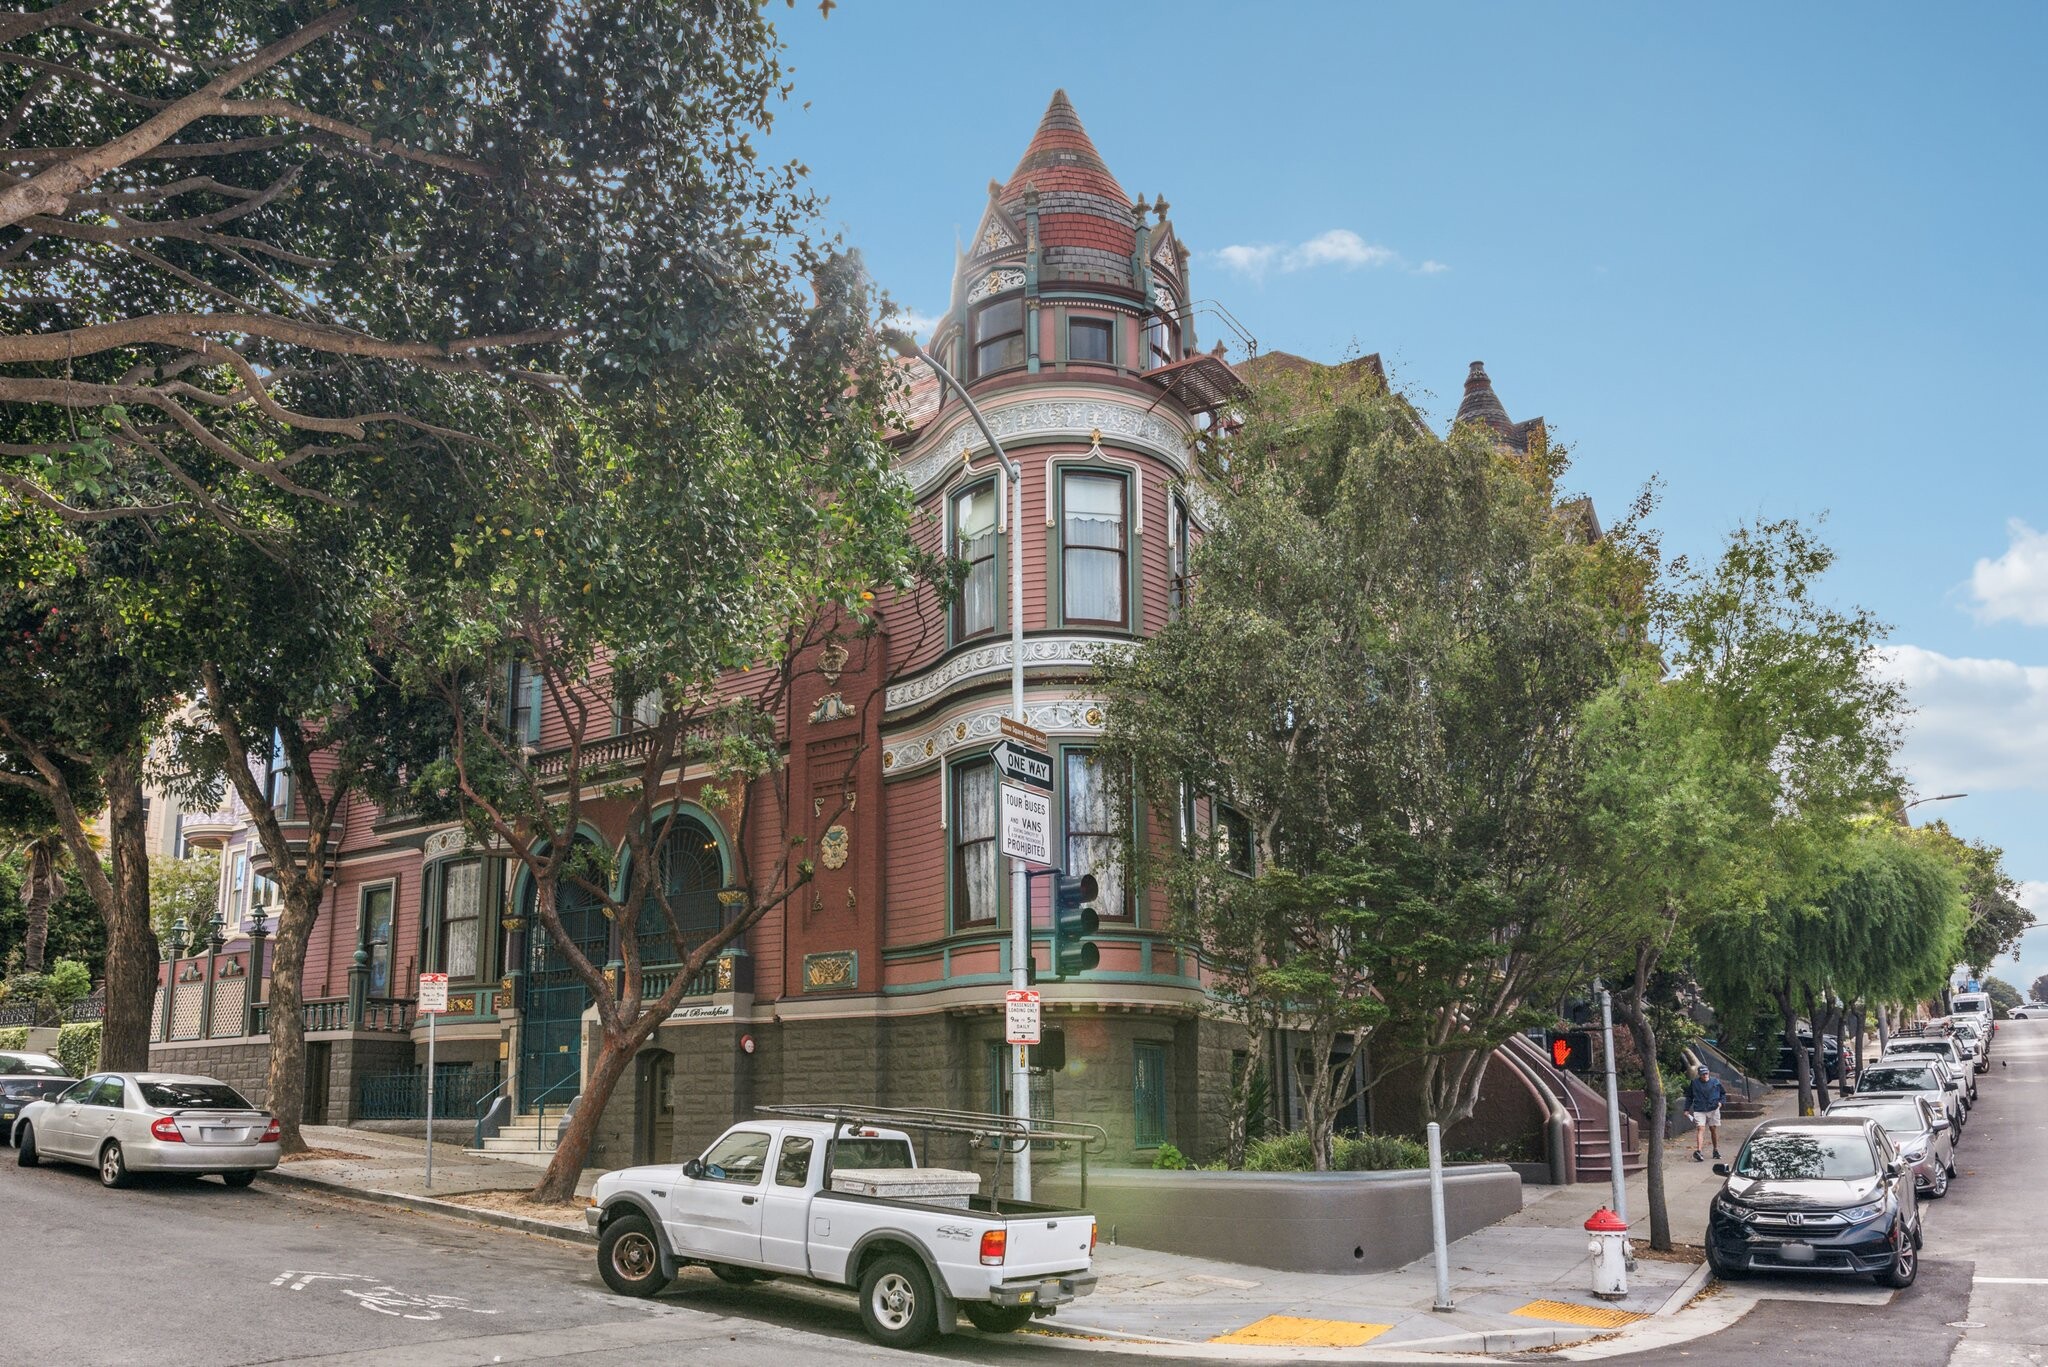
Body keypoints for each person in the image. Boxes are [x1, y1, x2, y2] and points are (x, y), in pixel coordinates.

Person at [1683, 1064, 1728, 1161]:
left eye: (1706, 1073)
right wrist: (1686, 1109)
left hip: (1713, 1108)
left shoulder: (1715, 1082)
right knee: (1700, 1128)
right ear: (1699, 1074)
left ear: (1709, 1073)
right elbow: (1689, 1097)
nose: (1705, 1075)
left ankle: (1715, 1150)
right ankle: (1698, 1151)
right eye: (1703, 1074)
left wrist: (1721, 1102)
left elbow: (1723, 1093)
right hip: (1700, 1109)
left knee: (1713, 1129)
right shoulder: (1694, 1083)